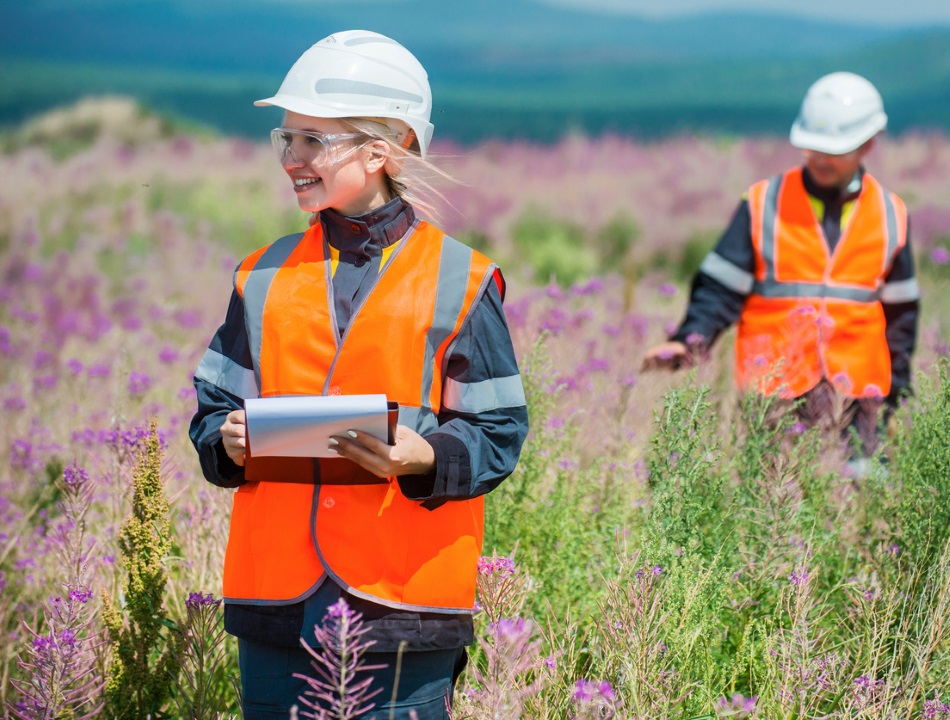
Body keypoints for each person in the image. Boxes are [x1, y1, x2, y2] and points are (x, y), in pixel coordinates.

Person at [189, 30, 528, 719]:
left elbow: (499, 433)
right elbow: (209, 413)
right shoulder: (259, 275)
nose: (292, 159)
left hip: (403, 605)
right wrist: (222, 440)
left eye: (315, 140)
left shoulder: (460, 280)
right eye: (286, 139)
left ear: (381, 151)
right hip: (274, 606)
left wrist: (424, 454)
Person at [642, 71, 919, 459]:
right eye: (812, 148)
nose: (820, 158)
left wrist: (898, 397)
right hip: (774, 395)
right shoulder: (763, 202)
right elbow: (720, 288)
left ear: (868, 144)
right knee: (773, 508)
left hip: (860, 399)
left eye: (833, 150)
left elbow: (901, 318)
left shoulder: (891, 213)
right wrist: (689, 339)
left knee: (856, 504)